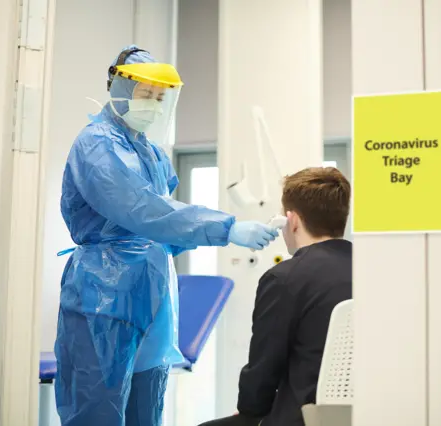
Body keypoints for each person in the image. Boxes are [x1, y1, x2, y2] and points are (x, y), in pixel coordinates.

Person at [54, 45, 278, 426]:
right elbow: (142, 211)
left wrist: (216, 233)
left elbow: (165, 231)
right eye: (146, 94)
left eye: (160, 97)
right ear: (120, 88)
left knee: (147, 409)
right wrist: (227, 228)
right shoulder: (97, 143)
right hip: (103, 297)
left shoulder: (153, 154)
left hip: (153, 293)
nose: (154, 105)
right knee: (98, 412)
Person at [199, 167, 352, 426]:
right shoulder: (374, 272)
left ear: (291, 221)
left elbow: (263, 368)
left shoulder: (284, 279)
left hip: (299, 417)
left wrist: (249, 409)